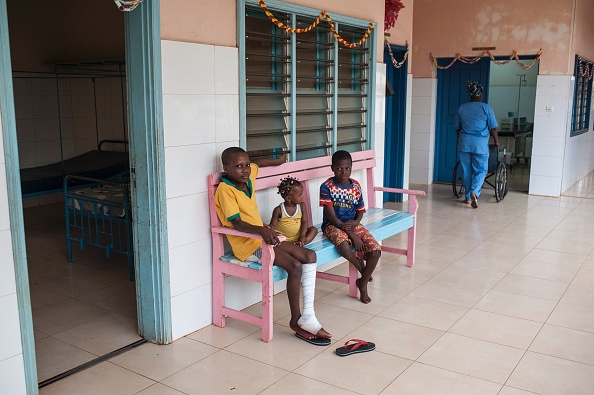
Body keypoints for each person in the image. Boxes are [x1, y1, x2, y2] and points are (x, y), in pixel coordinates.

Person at [214, 147, 331, 344]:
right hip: (247, 245)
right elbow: (237, 223)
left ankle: (308, 315)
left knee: (310, 256)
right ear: (226, 168)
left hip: (263, 236)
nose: (245, 170)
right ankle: (297, 320)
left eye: (246, 166)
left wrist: (278, 161)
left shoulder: (247, 179)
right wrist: (262, 230)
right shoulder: (225, 190)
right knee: (294, 266)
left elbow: (257, 165)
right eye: (238, 166)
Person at [319, 150, 381, 304]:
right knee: (345, 247)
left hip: (353, 223)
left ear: (351, 167)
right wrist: (352, 234)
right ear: (332, 168)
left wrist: (355, 224)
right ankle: (360, 265)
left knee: (376, 252)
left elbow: (360, 210)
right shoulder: (326, 186)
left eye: (347, 168)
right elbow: (331, 216)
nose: (343, 172)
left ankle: (362, 282)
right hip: (333, 225)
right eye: (339, 168)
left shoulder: (355, 186)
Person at [454, 80, 499, 209]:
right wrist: (496, 141)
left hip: (464, 144)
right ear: (480, 95)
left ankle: (468, 198)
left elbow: (457, 128)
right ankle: (474, 191)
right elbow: (493, 128)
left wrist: (460, 139)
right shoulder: (486, 108)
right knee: (481, 170)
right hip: (480, 145)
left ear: (470, 95)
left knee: (467, 171)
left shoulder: (461, 108)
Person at [269, 176, 317, 246]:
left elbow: (304, 222)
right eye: (300, 195)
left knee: (313, 230)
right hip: (283, 239)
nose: (302, 197)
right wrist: (269, 228)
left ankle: (301, 242)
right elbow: (273, 225)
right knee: (276, 238)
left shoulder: (302, 206)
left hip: (298, 236)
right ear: (289, 198)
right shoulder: (278, 210)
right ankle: (292, 244)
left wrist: (302, 236)